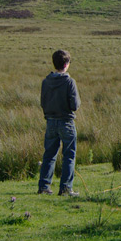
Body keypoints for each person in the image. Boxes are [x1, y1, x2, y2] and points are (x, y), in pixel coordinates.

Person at [38, 49, 81, 197]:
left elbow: (43, 102)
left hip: (50, 121)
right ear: (66, 64)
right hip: (66, 121)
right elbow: (75, 105)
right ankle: (66, 188)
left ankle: (44, 186)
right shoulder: (69, 82)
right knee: (69, 154)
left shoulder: (46, 81)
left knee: (49, 154)